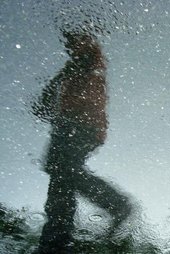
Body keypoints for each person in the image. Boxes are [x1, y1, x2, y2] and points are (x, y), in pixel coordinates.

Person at [32, 30, 132, 253]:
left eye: (71, 41)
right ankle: (57, 239)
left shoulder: (87, 57)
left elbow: (86, 59)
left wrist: (55, 84)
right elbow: (48, 102)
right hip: (76, 124)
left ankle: (57, 240)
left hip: (79, 124)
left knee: (61, 169)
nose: (68, 46)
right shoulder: (78, 66)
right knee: (62, 172)